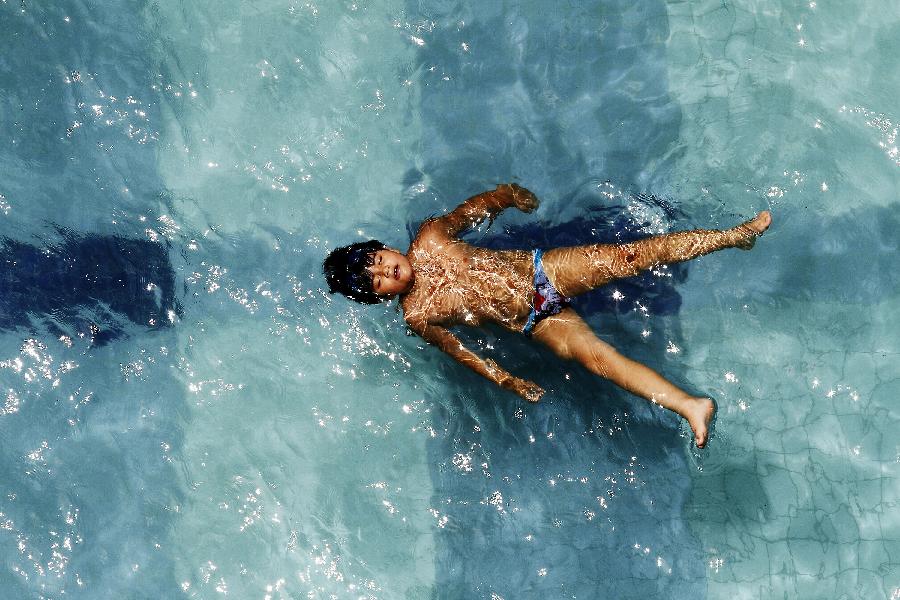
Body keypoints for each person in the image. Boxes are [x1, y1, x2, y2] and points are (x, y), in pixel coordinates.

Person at [324, 184, 771, 448]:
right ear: (378, 297)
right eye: (376, 281)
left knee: (630, 256)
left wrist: (509, 196)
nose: (384, 271)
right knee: (598, 360)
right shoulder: (417, 315)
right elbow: (459, 352)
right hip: (535, 322)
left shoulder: (430, 238)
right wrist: (505, 379)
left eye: (377, 260)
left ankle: (735, 236)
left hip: (543, 273)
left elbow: (473, 209)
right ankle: (691, 406)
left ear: (381, 247)